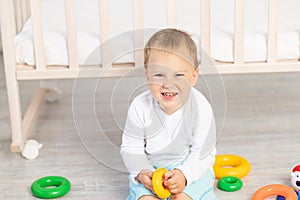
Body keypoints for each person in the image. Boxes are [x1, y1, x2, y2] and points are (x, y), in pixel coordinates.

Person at [121, 28, 217, 200]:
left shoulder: (201, 107)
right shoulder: (139, 106)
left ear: (194, 76)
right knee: (144, 196)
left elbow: (203, 153)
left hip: (191, 169)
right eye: (159, 75)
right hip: (152, 169)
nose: (168, 84)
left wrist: (184, 174)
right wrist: (143, 171)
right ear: (147, 76)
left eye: (178, 75)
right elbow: (130, 148)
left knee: (184, 197)